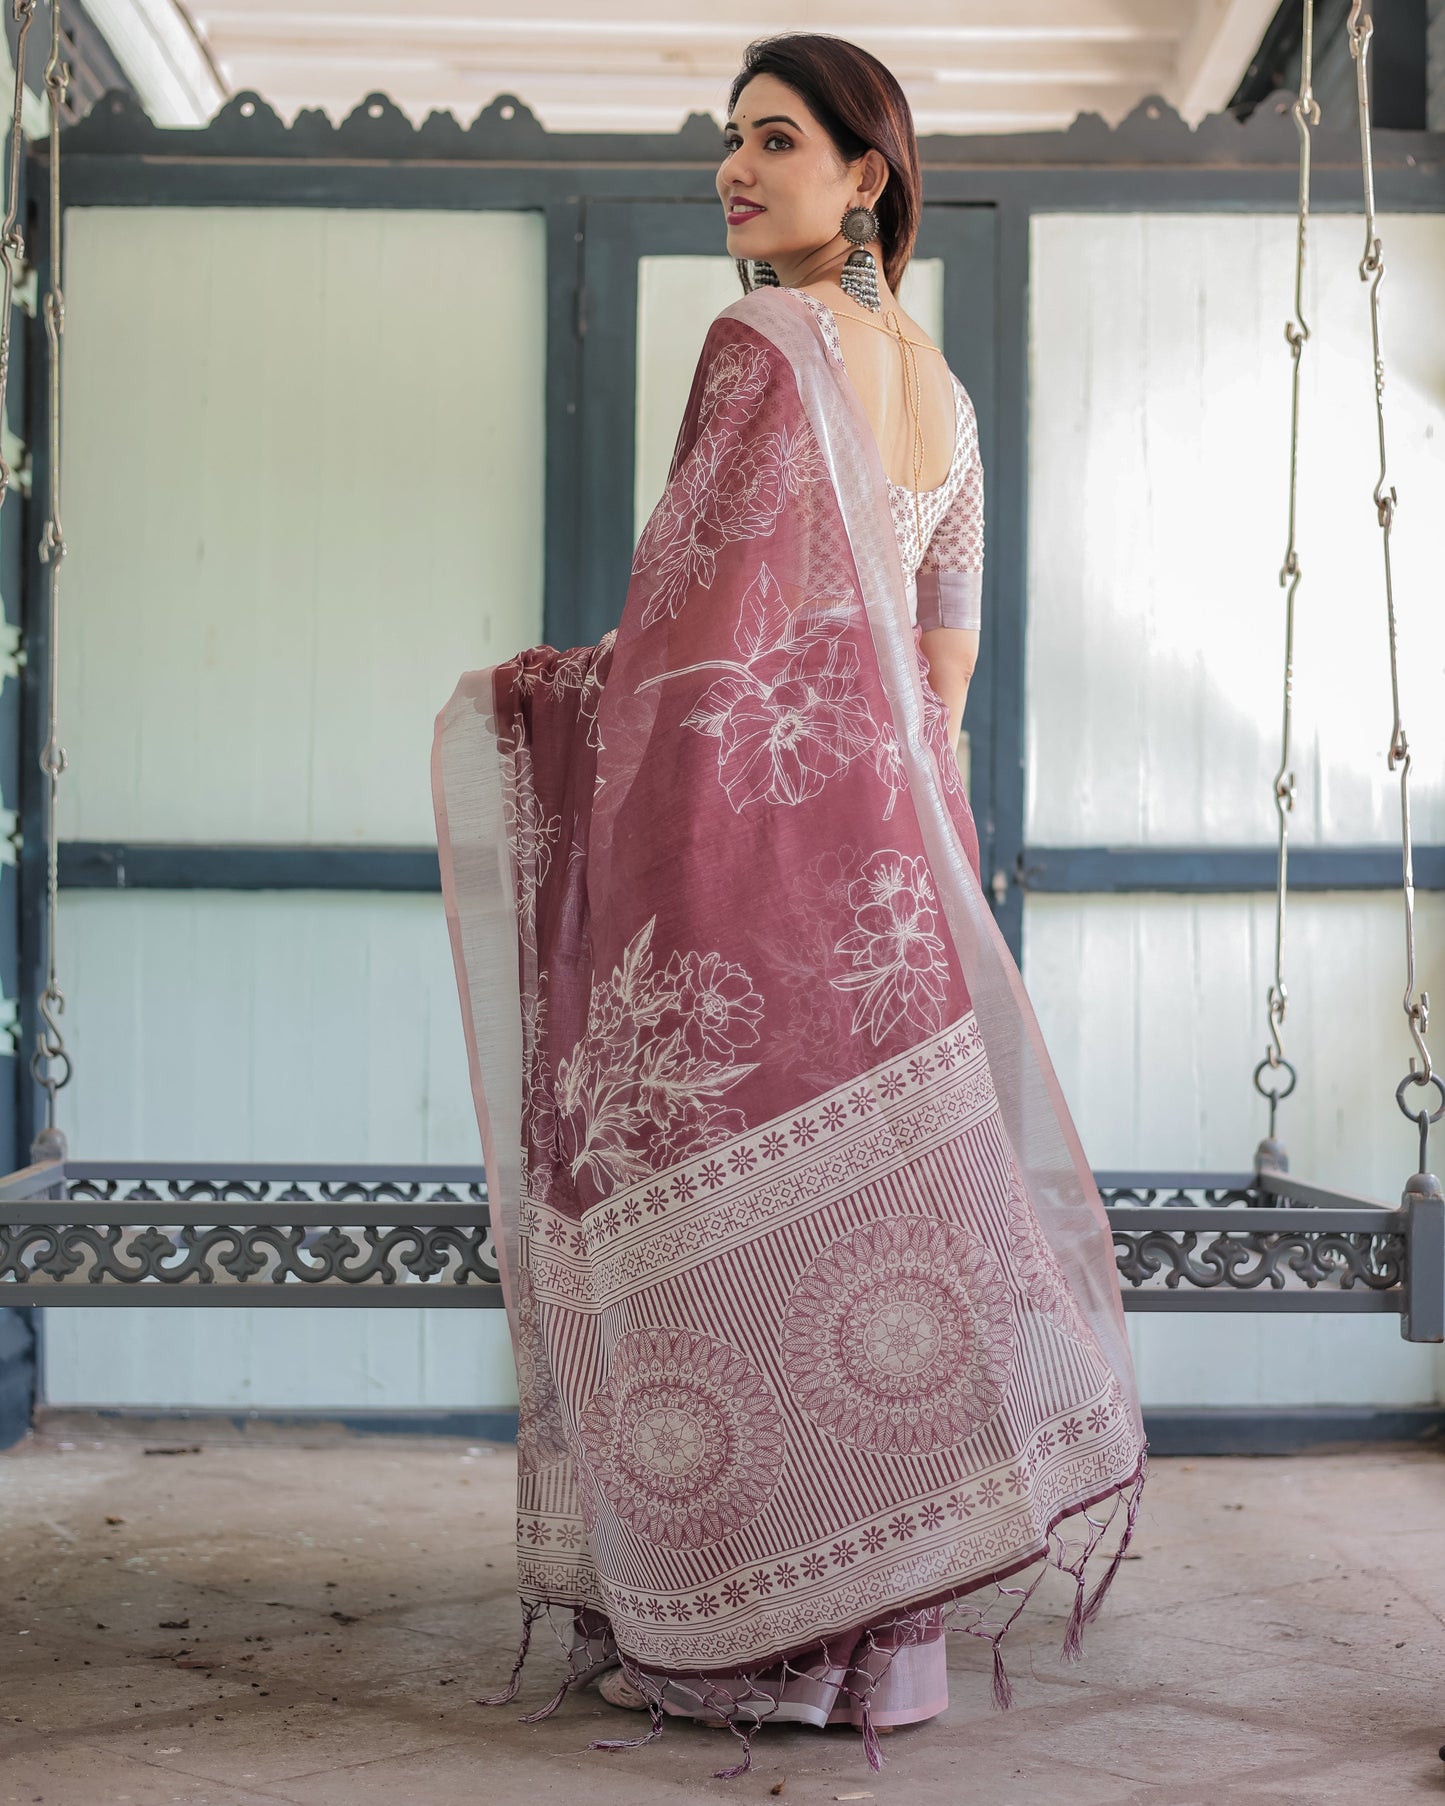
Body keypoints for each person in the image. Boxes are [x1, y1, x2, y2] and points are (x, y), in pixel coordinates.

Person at [432, 32, 1147, 1782]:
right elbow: (940, 678)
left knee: (708, 1243)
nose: (733, 172)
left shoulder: (761, 342)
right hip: (897, 889)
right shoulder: (943, 398)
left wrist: (550, 696)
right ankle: (881, 1652)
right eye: (728, 142)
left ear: (864, 174)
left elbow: (693, 639)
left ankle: (747, 1642)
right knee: (875, 1241)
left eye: (772, 140)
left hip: (744, 873)